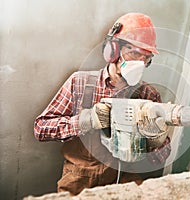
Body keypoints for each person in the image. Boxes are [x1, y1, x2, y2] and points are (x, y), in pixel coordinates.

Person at [34, 12, 171, 195]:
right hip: (79, 179)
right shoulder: (80, 83)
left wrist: (155, 139)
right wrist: (87, 120)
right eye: (134, 52)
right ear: (113, 50)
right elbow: (41, 129)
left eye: (145, 58)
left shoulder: (148, 95)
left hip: (125, 182)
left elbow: (160, 158)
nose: (139, 63)